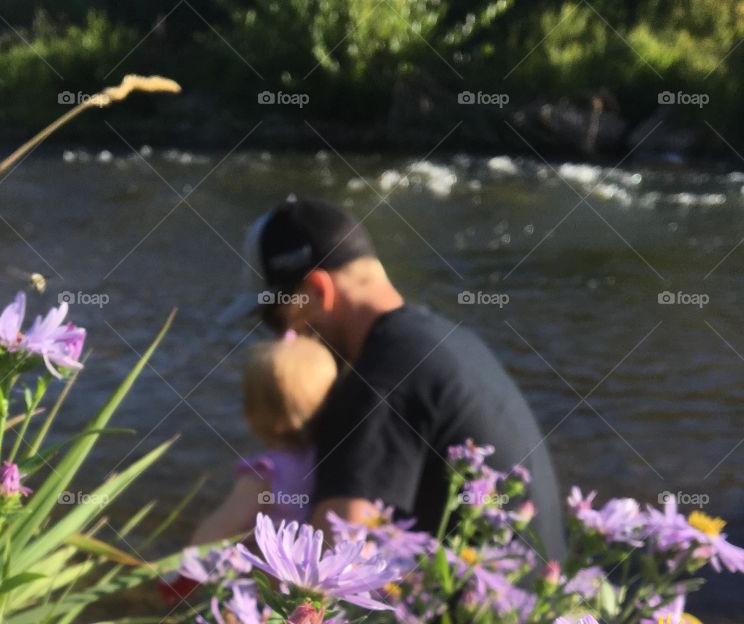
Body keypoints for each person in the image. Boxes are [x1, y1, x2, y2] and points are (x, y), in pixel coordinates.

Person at [221, 196, 566, 562]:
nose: (283, 339)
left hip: (484, 599)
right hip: (538, 589)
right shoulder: (448, 340)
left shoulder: (377, 382)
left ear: (320, 290)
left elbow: (336, 565)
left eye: (277, 317)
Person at [159, 333, 338, 603]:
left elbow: (220, 529)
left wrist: (180, 575)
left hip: (261, 583)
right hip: (302, 578)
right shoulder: (328, 459)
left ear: (252, 413)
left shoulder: (264, 473)